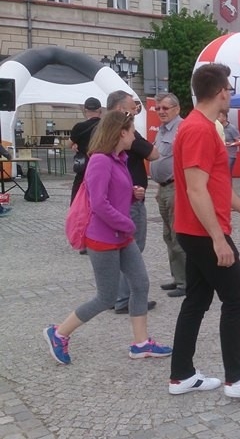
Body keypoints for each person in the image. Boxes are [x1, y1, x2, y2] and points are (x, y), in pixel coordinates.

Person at [167, 63, 240, 399]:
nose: (230, 93)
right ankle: (237, 379)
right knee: (237, 299)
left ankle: (181, 375)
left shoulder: (199, 126)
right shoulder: (199, 130)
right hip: (203, 232)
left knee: (197, 300)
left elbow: (216, 184)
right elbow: (196, 189)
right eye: (228, 88)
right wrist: (218, 238)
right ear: (220, 92)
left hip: (195, 229)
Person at [43, 110, 172, 365]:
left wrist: (133, 193)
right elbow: (99, 203)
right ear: (121, 133)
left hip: (121, 236)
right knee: (106, 297)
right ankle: (59, 333)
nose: (135, 136)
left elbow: (113, 193)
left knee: (140, 284)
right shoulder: (100, 160)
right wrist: (127, 223)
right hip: (103, 238)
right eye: (132, 131)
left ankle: (141, 343)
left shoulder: (119, 158)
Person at [106, 91, 160, 314]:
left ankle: (112, 296)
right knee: (132, 248)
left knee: (118, 248)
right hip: (129, 199)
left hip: (120, 198)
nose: (136, 111)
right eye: (132, 108)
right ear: (121, 110)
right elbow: (154, 154)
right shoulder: (125, 131)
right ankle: (124, 298)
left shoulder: (102, 130)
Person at [150, 93, 187, 298]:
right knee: (168, 235)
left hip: (176, 188)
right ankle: (177, 277)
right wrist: (159, 188)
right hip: (164, 188)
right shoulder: (162, 129)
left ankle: (185, 282)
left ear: (177, 109)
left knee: (177, 235)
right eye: (158, 108)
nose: (161, 111)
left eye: (165, 108)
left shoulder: (182, 128)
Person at [69, 97, 102, 204]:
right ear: (100, 110)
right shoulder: (105, 126)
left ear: (85, 110)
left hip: (84, 166)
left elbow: (68, 144)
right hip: (102, 165)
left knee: (77, 197)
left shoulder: (79, 127)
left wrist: (74, 144)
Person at [218, 110, 240, 175]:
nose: (217, 118)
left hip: (230, 155)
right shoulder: (218, 127)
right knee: (221, 174)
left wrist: (230, 144)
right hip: (220, 154)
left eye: (219, 116)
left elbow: (239, 142)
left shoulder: (232, 128)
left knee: (227, 174)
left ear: (225, 118)